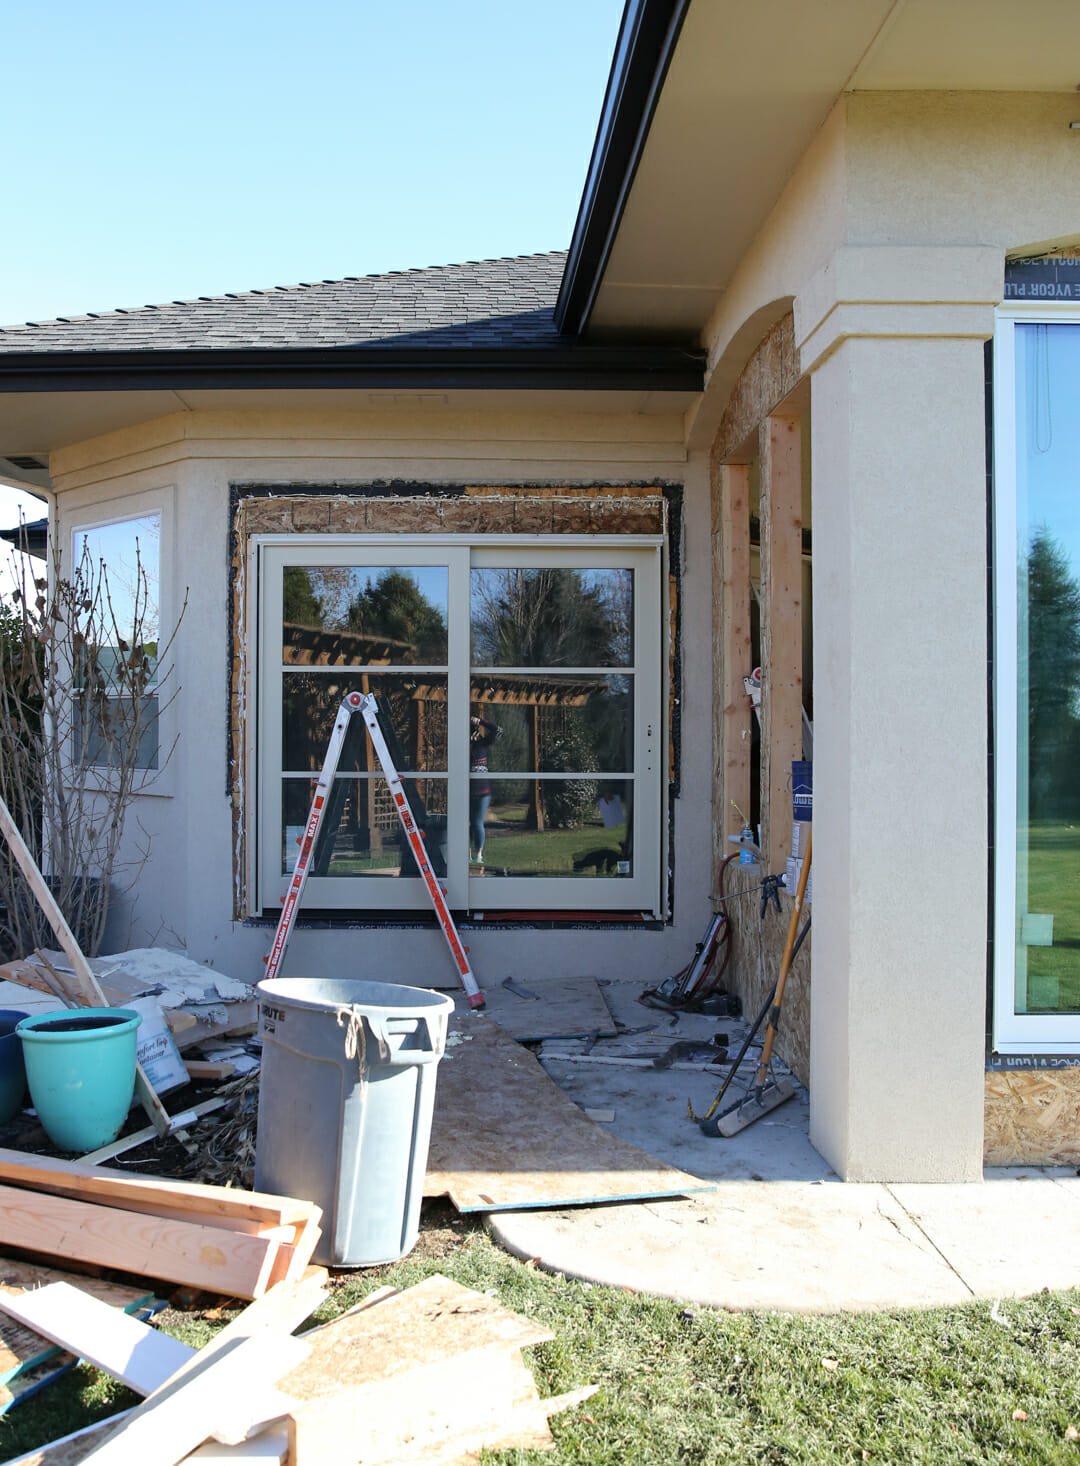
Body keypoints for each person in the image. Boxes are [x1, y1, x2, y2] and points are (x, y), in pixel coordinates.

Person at [469, 713, 501, 865]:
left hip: (482, 792)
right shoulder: (463, 748)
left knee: (476, 822)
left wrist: (481, 721)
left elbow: (497, 730)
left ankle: (478, 854)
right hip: (467, 791)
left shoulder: (482, 744)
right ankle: (468, 854)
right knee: (467, 823)